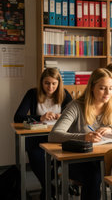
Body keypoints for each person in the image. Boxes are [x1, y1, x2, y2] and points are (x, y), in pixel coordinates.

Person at [49, 68, 112, 200]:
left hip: (102, 157)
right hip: (77, 159)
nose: (108, 93)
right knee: (94, 175)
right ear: (91, 87)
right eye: (102, 88)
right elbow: (54, 135)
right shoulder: (76, 106)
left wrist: (111, 129)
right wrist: (84, 137)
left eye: (111, 88)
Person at [14, 68, 72, 200]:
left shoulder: (65, 94)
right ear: (41, 83)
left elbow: (74, 116)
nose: (50, 87)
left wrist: (61, 115)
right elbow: (18, 117)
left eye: (53, 83)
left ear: (58, 83)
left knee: (62, 156)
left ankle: (48, 188)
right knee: (36, 157)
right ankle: (49, 187)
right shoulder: (32, 93)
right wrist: (39, 118)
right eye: (47, 83)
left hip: (57, 136)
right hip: (36, 137)